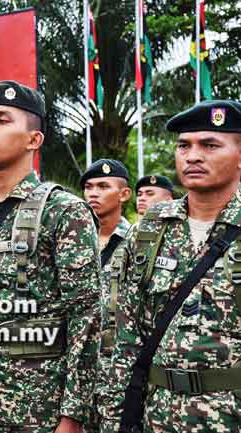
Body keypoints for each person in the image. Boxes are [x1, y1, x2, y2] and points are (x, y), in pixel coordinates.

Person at [0, 80, 100, 433]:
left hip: (31, 412)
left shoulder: (62, 210)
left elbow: (86, 319)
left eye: (3, 120)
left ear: (33, 140)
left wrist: (72, 418)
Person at [102, 100, 241, 433]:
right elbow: (124, 335)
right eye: (184, 146)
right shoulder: (149, 230)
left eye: (210, 145)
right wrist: (114, 419)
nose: (192, 156)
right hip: (157, 417)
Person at [80, 159, 132, 431]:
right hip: (75, 369)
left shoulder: (139, 243)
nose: (93, 193)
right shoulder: (72, 243)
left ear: (124, 194)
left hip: (117, 370)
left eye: (103, 186)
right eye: (88, 187)